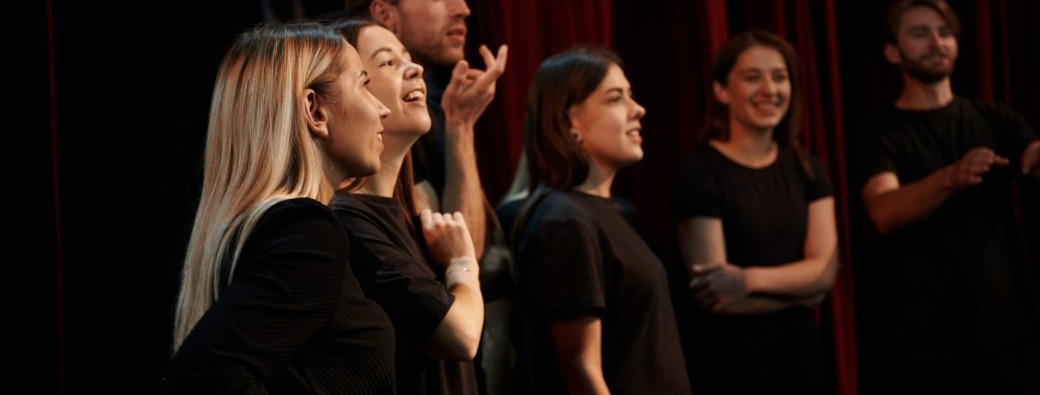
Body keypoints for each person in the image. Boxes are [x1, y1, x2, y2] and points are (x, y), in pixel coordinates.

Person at [165, 22, 396, 394]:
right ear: (315, 110)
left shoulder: (261, 230)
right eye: (365, 85)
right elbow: (202, 380)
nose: (382, 109)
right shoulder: (307, 233)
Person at [851, 1, 1040, 393]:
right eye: (920, 33)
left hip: (1002, 335)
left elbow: (1030, 156)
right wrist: (950, 178)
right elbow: (883, 211)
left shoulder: (994, 119)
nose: (936, 42)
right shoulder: (880, 133)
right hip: (920, 341)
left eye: (945, 32)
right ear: (892, 51)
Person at [342, 2, 515, 394]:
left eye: (406, 58)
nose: (465, 9)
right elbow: (460, 334)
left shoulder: (400, 213)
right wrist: (461, 262)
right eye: (388, 62)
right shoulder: (349, 222)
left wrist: (460, 125)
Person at [508, 47, 691, 394]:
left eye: (631, 96)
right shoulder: (564, 223)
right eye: (615, 99)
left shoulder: (613, 212)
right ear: (568, 123)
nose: (638, 110)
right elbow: (581, 370)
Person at [672, 30, 839, 395]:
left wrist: (747, 281)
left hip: (803, 365)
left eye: (779, 77)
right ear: (721, 90)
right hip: (731, 367)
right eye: (752, 77)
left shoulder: (808, 169)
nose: (769, 89)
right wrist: (801, 289)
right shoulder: (701, 174)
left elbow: (826, 275)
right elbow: (717, 299)